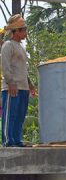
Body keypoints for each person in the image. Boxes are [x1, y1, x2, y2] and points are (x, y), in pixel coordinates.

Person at [1, 14, 36, 147]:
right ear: (16, 31)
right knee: (10, 115)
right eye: (24, 29)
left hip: (23, 86)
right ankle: (8, 141)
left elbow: (23, 69)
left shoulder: (21, 47)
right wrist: (11, 83)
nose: (26, 32)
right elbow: (5, 66)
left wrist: (30, 85)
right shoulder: (8, 45)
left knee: (20, 115)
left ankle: (17, 140)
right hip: (12, 87)